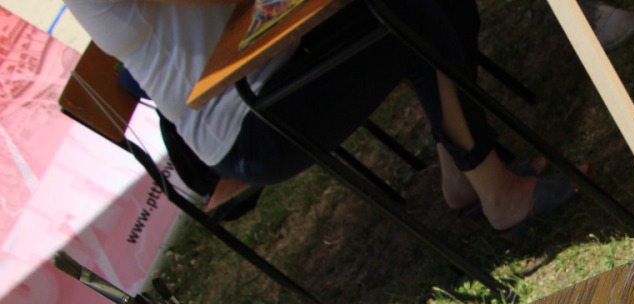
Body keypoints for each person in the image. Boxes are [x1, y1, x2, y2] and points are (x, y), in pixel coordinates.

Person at [65, 0, 576, 236]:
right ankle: (499, 195)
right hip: (248, 126)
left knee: (439, 6)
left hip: (278, 59)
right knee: (409, 17)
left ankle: (462, 174)